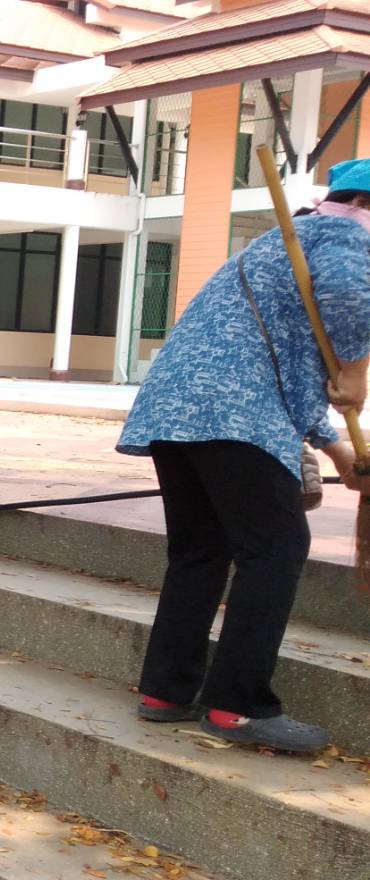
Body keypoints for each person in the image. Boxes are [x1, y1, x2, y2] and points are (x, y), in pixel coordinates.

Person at [114, 161, 370, 752]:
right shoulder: (347, 235)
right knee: (277, 548)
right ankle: (238, 706)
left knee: (201, 550)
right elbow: (349, 300)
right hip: (235, 411)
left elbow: (289, 365)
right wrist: (356, 373)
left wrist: (336, 448)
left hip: (178, 408)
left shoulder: (290, 238)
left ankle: (166, 691)